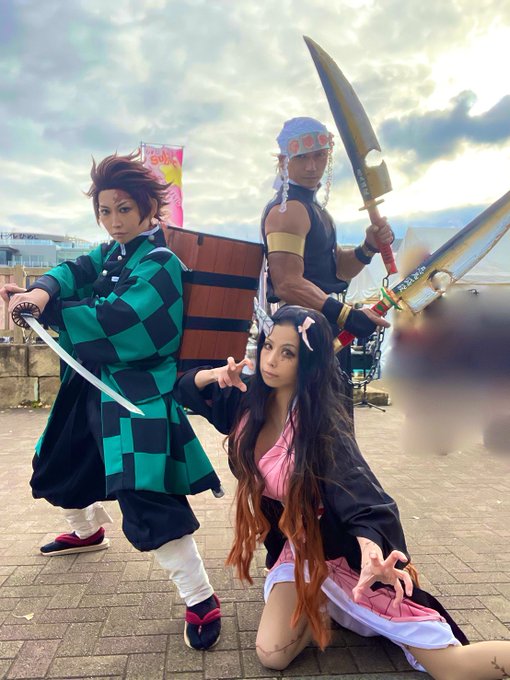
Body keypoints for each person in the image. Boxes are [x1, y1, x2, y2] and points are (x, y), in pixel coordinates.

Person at [173, 304, 510, 678]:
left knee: (451, 667)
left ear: (309, 363)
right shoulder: (246, 401)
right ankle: (320, 605)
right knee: (272, 655)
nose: (271, 360)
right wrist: (213, 374)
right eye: (268, 346)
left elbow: (365, 499)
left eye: (288, 353)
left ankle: (339, 602)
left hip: (340, 554)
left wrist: (370, 550)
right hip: (295, 551)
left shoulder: (322, 428)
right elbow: (182, 388)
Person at [0, 152, 221, 651]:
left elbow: (126, 322)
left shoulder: (162, 262)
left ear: (148, 209)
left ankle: (201, 598)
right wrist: (39, 292)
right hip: (90, 386)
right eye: (105, 211)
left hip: (135, 399)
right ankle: (86, 533)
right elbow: (71, 270)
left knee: (147, 496)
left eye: (124, 209)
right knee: (57, 463)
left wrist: (50, 309)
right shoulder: (109, 254)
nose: (115, 221)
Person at [261, 116, 392, 421]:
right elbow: (287, 283)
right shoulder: (288, 210)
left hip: (323, 329)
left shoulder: (316, 210)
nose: (312, 166)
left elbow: (338, 272)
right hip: (300, 332)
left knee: (334, 428)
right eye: (302, 157)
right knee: (308, 430)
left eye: (319, 156)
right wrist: (347, 315)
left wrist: (367, 246)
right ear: (284, 161)